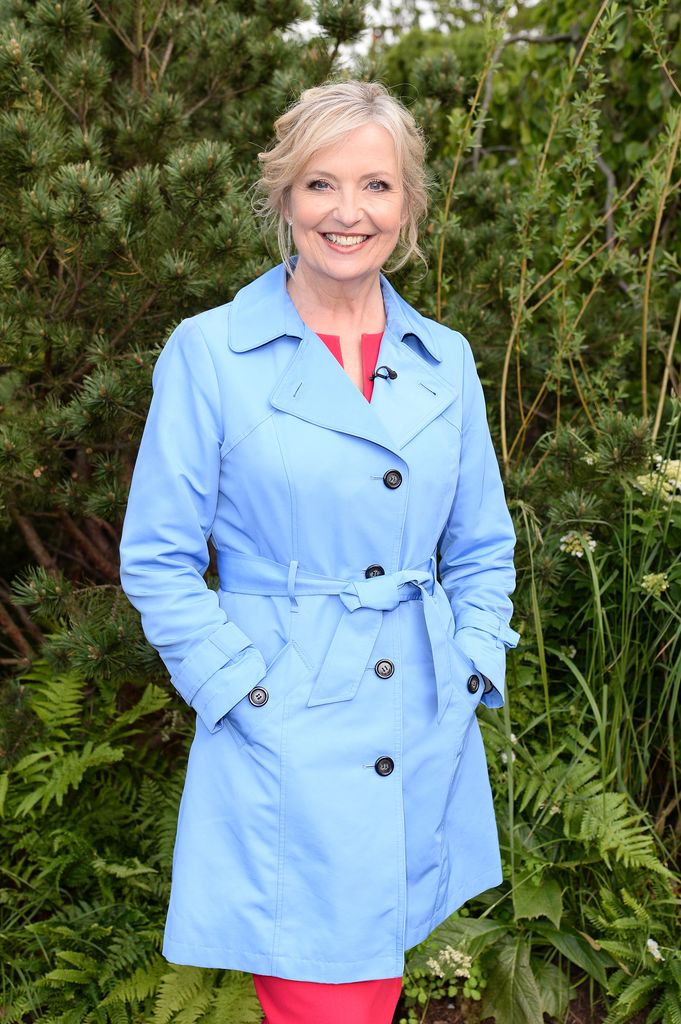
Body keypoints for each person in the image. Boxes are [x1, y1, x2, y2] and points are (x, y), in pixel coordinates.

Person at [118, 79, 520, 1024]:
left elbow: (482, 546)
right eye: (320, 186)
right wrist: (240, 692)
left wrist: (468, 670)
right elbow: (159, 559)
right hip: (281, 721)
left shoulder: (446, 359)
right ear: (282, 198)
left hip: (418, 723)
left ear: (409, 204)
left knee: (370, 985)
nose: (349, 213)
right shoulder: (209, 353)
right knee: (325, 1000)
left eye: (376, 186)